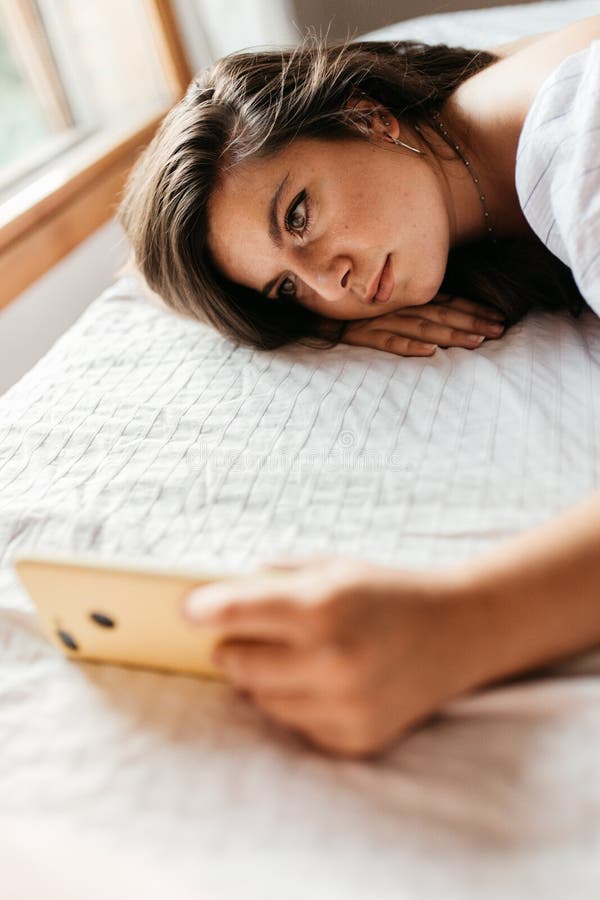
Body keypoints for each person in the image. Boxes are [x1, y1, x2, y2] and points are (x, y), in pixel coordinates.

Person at [119, 15, 600, 759]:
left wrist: (456, 626)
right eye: (286, 290)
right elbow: (141, 280)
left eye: (299, 215)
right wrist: (325, 324)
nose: (330, 282)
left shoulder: (578, 139)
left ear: (367, 115)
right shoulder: (481, 105)